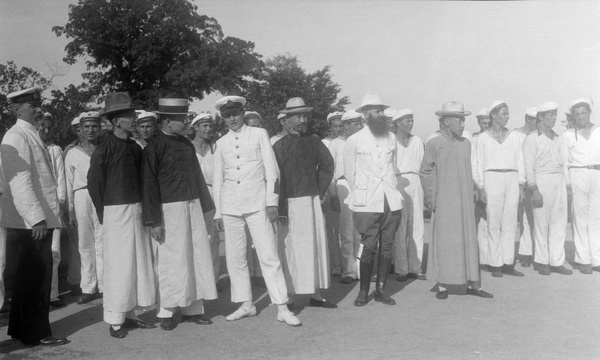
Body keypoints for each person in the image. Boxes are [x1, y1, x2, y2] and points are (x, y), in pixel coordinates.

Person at [211, 96, 300, 326]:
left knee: (269, 255)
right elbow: (218, 179)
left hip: (258, 203)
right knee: (235, 258)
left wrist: (272, 201)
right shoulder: (221, 143)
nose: (232, 118)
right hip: (231, 206)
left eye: (235, 113)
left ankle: (281, 306)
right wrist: (219, 212)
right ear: (223, 118)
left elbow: (272, 171)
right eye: (227, 115)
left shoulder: (259, 134)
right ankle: (246, 304)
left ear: (243, 113)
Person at [1, 86, 69, 346]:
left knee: (28, 277)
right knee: (37, 278)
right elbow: (20, 182)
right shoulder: (16, 136)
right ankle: (38, 333)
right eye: (30, 104)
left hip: (35, 220)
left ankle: (21, 330)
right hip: (32, 222)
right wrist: (36, 218)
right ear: (16, 109)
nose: (37, 107)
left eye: (38, 102)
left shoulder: (30, 133)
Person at [142, 98, 217, 331]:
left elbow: (197, 176)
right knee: (171, 261)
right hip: (169, 210)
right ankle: (167, 311)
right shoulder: (154, 148)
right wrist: (154, 221)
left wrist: (207, 207)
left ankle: (192, 310)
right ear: (166, 121)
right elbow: (149, 186)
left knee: (195, 255)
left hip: (193, 205)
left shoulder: (186, 144)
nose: (186, 122)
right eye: (181, 119)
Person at [87, 93, 156, 338]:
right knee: (118, 265)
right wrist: (103, 212)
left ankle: (130, 313)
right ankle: (115, 319)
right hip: (115, 211)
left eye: (133, 114)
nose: (133, 119)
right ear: (116, 121)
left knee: (136, 262)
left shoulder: (135, 147)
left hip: (136, 210)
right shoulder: (104, 149)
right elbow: (95, 184)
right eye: (128, 116)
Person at [421, 101, 493, 300]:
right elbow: (426, 171)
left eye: (463, 120)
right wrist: (432, 198)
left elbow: (468, 171)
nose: (462, 124)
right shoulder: (434, 144)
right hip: (444, 200)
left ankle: (473, 283)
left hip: (464, 200)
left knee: (468, 240)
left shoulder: (466, 144)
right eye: (458, 120)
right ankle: (443, 285)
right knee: (445, 241)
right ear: (445, 121)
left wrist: (475, 188)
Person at [273, 97, 336, 308]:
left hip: (310, 202)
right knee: (291, 249)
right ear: (286, 119)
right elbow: (275, 178)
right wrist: (279, 207)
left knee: (313, 247)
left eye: (304, 116)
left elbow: (327, 164)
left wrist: (318, 190)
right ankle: (289, 295)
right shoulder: (279, 146)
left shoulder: (314, 142)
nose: (302, 120)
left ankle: (315, 293)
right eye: (297, 116)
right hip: (288, 205)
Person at [344, 93, 403, 306]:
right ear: (365, 114)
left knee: (387, 245)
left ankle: (381, 290)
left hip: (390, 199)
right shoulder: (354, 140)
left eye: (381, 110)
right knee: (369, 246)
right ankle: (363, 292)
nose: (380, 114)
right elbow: (350, 174)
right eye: (376, 111)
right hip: (367, 201)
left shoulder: (391, 138)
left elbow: (393, 168)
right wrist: (362, 193)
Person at [475, 100, 525, 278]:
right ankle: (495, 263)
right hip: (491, 178)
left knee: (510, 221)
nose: (507, 116)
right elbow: (478, 163)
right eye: (504, 113)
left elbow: (520, 160)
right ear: (494, 115)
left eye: (508, 113)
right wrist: (480, 186)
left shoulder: (516, 136)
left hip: (511, 178)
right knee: (493, 222)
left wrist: (521, 183)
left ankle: (507, 262)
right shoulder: (482, 138)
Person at [523, 102, 572, 276]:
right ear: (540, 118)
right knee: (541, 223)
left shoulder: (558, 138)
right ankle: (542, 261)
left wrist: (567, 186)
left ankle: (557, 261)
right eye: (549, 115)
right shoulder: (531, 139)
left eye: (555, 114)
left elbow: (564, 163)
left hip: (558, 180)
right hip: (541, 181)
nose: (553, 118)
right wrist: (534, 189)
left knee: (559, 223)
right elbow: (529, 167)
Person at [65, 112, 104, 305]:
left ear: (100, 128)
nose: (90, 130)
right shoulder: (72, 153)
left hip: (102, 196)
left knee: (102, 239)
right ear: (80, 129)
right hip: (81, 195)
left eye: (94, 126)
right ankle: (88, 287)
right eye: (86, 127)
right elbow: (67, 183)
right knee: (85, 242)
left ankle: (105, 285)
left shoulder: (105, 148)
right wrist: (70, 210)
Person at [561, 98, 600, 274]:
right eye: (576, 114)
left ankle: (596, 259)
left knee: (596, 218)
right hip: (577, 174)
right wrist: (568, 184)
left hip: (597, 174)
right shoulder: (568, 135)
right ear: (573, 117)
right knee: (580, 217)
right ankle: (582, 259)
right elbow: (563, 162)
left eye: (583, 113)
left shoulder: (598, 131)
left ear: (589, 113)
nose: (580, 117)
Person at [327, 109, 363, 284]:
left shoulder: (360, 142)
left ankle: (360, 267)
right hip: (343, 186)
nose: (359, 127)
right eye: (355, 124)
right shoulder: (335, 144)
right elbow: (330, 172)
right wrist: (333, 195)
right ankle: (348, 270)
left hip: (360, 185)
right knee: (347, 230)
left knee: (360, 230)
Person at [36, 111, 67, 308]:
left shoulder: (55, 149)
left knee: (54, 251)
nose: (46, 131)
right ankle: (37, 294)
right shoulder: (30, 147)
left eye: (49, 127)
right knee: (36, 252)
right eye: (42, 127)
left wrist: (61, 204)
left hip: (53, 204)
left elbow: (61, 179)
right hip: (35, 206)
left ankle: (52, 294)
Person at [392, 109, 426, 282]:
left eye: (412, 120)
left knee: (417, 226)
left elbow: (424, 167)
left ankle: (416, 267)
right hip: (397, 183)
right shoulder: (390, 141)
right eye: (407, 121)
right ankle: (401, 268)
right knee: (400, 227)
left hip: (415, 182)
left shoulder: (417, 141)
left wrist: (425, 189)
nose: (411, 123)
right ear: (397, 123)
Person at [190, 113, 222, 291]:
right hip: (193, 194)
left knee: (212, 237)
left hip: (212, 192)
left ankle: (214, 278)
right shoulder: (187, 147)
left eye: (210, 126)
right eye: (204, 126)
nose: (208, 129)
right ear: (196, 127)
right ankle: (196, 277)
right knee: (194, 236)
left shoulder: (215, 147)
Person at [513, 107, 538, 268]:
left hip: (533, 179)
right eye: (535, 120)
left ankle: (529, 252)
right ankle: (522, 253)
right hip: (517, 180)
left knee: (532, 217)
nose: (537, 123)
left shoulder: (538, 135)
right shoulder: (515, 135)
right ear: (527, 119)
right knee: (520, 217)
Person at [324, 111, 344, 277]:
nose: (338, 129)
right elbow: (327, 171)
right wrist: (332, 195)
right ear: (330, 127)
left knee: (346, 229)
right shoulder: (324, 143)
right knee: (332, 230)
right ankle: (336, 264)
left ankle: (347, 263)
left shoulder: (346, 142)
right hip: (332, 189)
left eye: (341, 126)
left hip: (346, 189)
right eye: (335, 126)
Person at [472, 108, 492, 271]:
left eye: (488, 123)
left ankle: (492, 257)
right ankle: (481, 258)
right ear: (479, 123)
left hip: (493, 181)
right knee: (480, 222)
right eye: (483, 123)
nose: (486, 125)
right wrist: (477, 186)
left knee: (492, 221)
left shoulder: (495, 138)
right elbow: (474, 163)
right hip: (479, 182)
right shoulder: (475, 138)